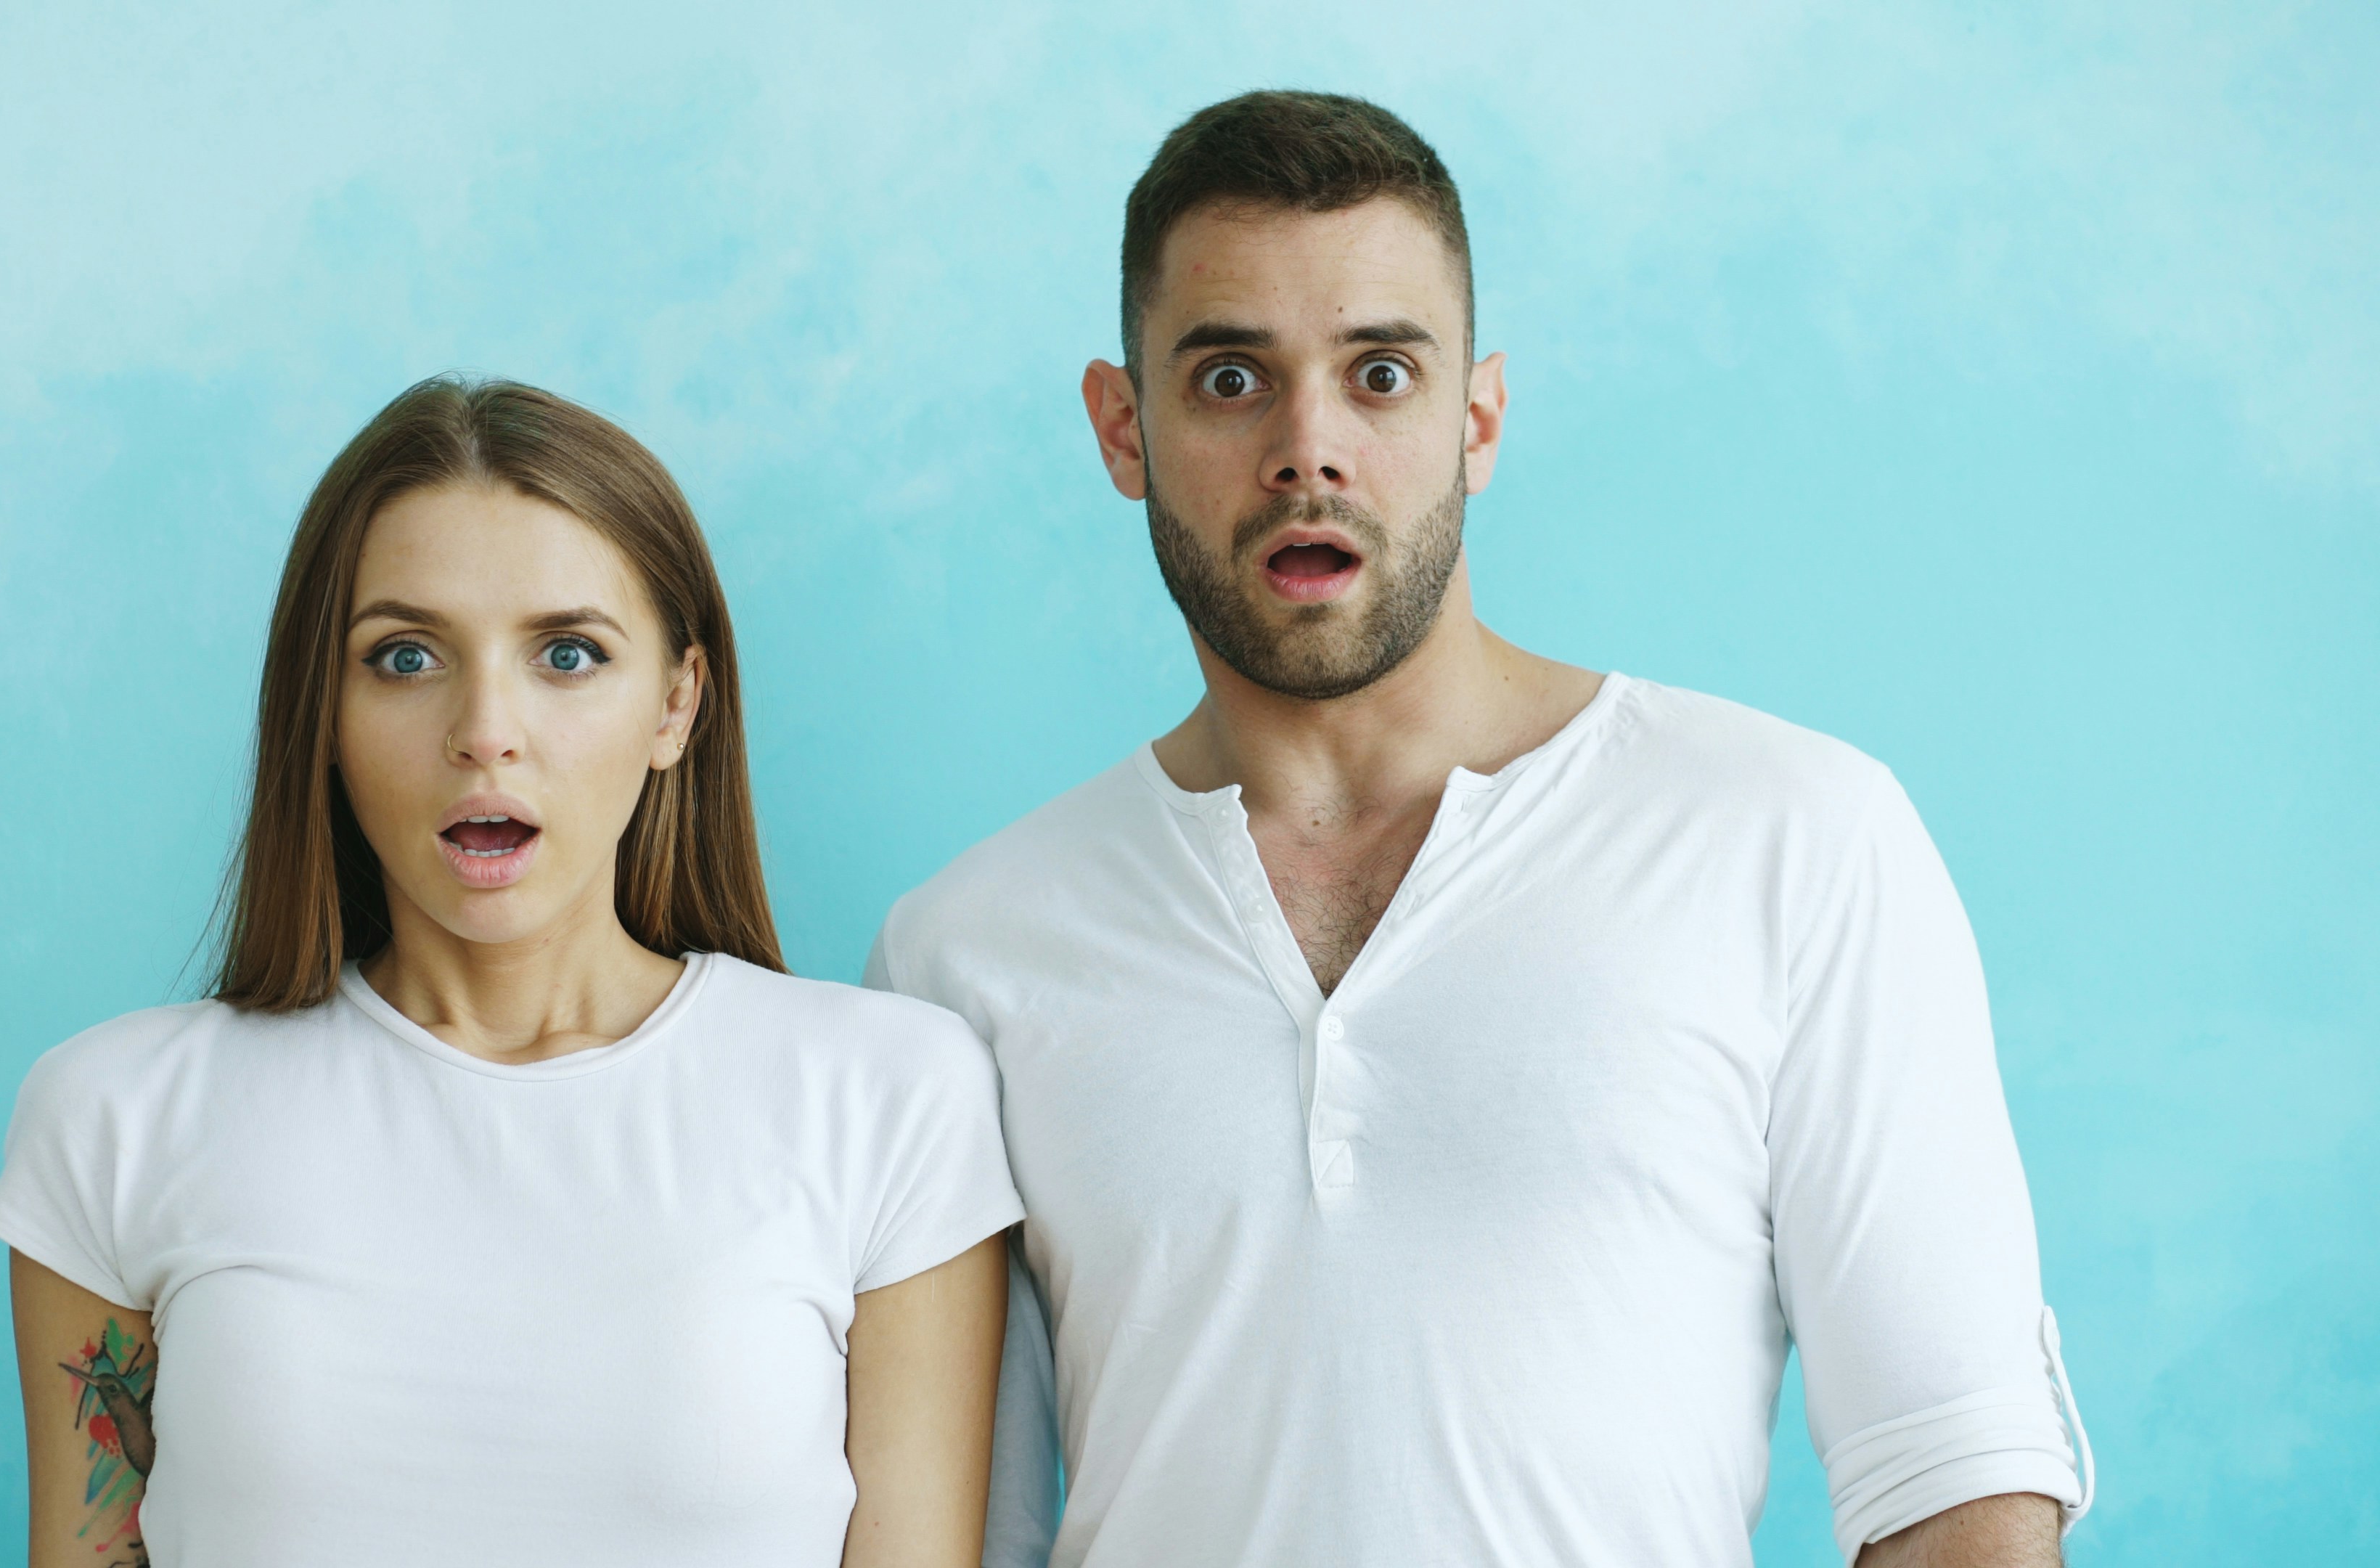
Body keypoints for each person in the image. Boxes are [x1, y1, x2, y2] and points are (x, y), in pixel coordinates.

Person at [867, 92, 2095, 1567]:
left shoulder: (1793, 837)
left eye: (1378, 373)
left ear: (1478, 418)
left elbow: (1958, 1482)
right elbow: (946, 1539)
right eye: (1230, 380)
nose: (1308, 450)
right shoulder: (965, 952)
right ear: (1124, 429)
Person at [0, 377, 1021, 1567]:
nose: (485, 729)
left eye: (568, 655)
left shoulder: (887, 1097)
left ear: (677, 703)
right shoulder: (116, 1117)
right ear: (322, 706)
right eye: (408, 656)